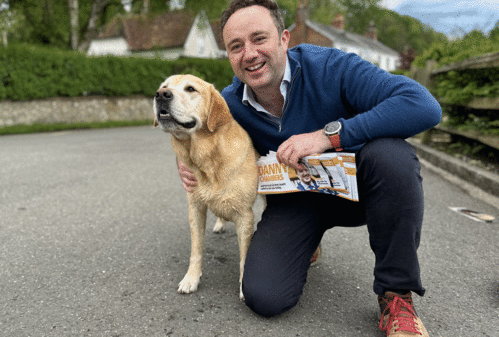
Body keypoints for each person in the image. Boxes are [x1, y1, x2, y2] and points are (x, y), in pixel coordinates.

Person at [176, 0, 441, 335]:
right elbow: (192, 128)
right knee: (264, 296)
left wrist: (327, 137)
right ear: (228, 55)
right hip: (296, 200)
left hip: (360, 191)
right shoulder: (229, 104)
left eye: (260, 39)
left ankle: (396, 295)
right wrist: (184, 162)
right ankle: (308, 240)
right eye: (236, 46)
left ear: (284, 38)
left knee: (392, 155)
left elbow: (424, 106)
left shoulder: (333, 67)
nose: (250, 54)